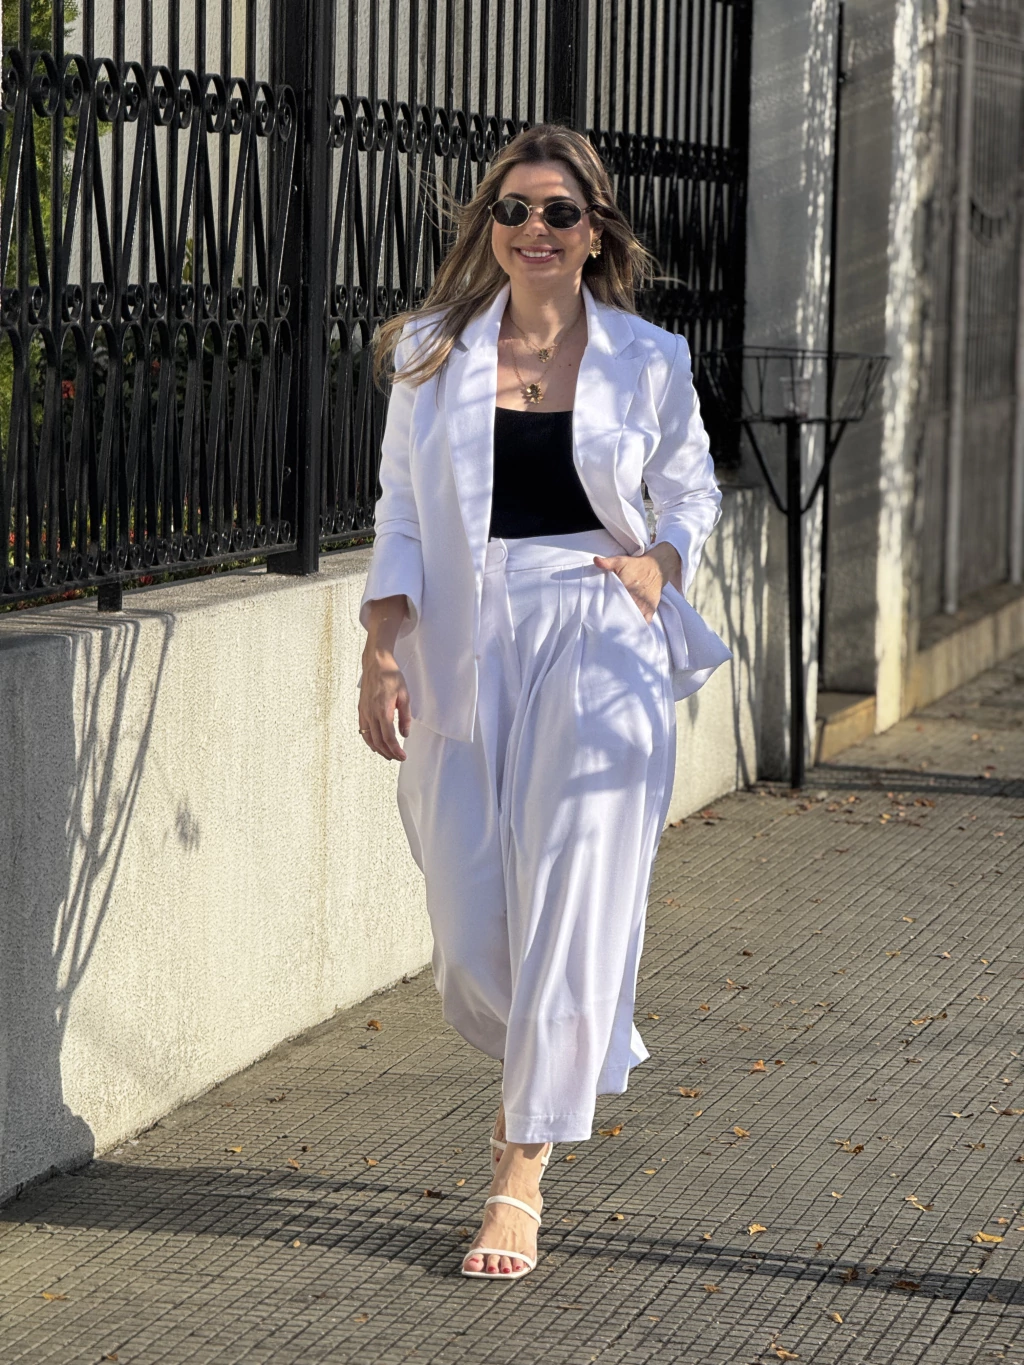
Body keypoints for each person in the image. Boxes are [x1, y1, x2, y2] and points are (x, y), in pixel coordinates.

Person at [358, 124, 731, 1282]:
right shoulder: (430, 352)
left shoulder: (648, 357)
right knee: (472, 933)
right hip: (463, 638)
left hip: (598, 628)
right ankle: (568, 1029)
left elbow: (692, 490)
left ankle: (517, 1172)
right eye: (513, 210)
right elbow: (400, 510)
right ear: (489, 227)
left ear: (594, 232)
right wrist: (379, 650)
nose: (535, 229)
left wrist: (660, 561)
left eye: (559, 212)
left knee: (575, 889)